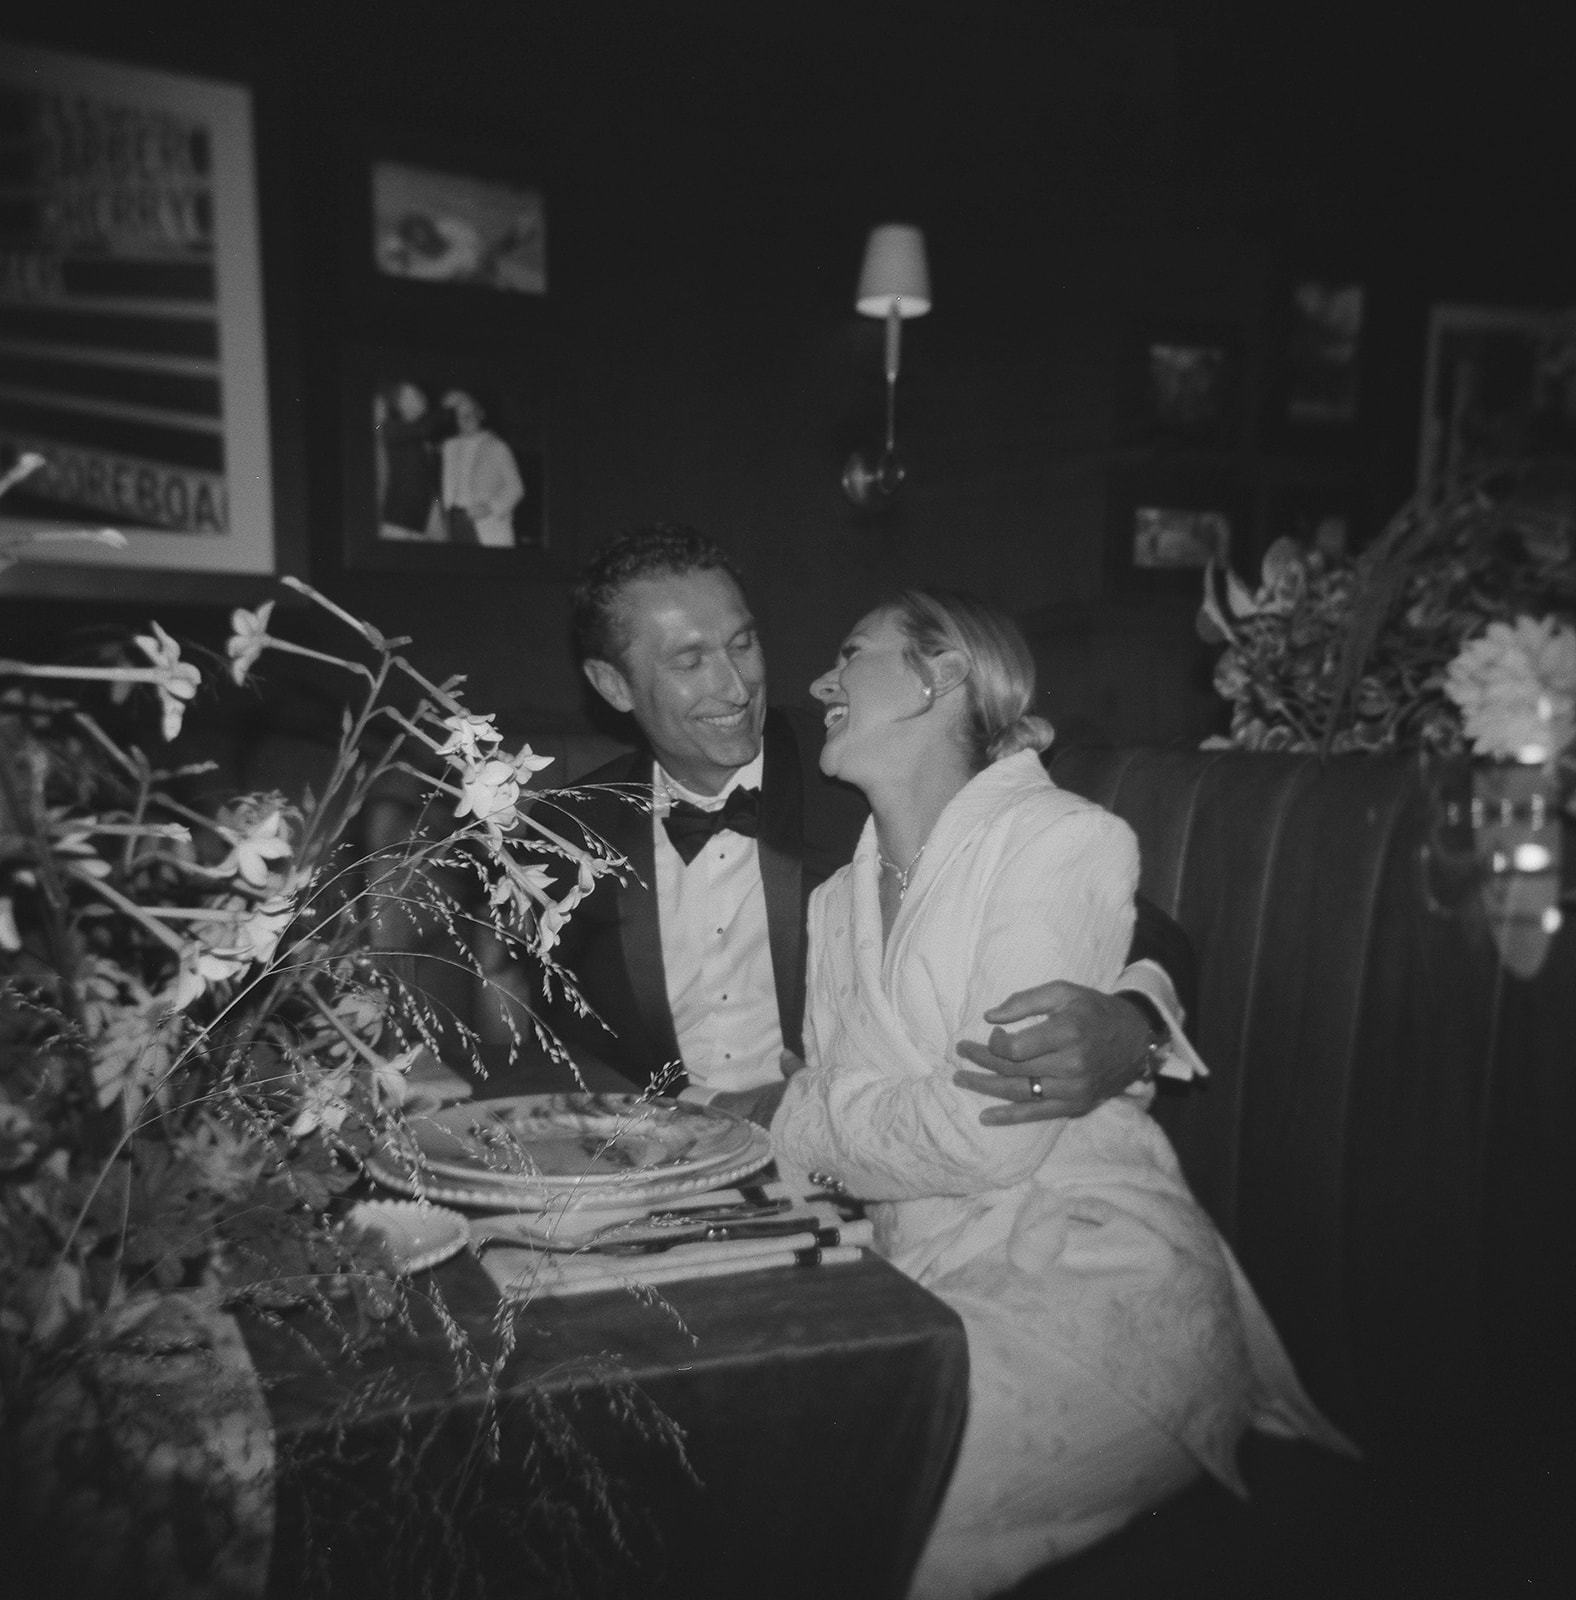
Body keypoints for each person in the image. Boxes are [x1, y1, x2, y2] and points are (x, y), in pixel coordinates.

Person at [770, 589, 1350, 1599]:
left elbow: (979, 1135)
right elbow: (848, 1135)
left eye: (850, 653)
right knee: (759, 1465)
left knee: (831, 1488)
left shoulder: (1059, 839)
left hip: (1089, 1276)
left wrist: (787, 1113)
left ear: (938, 674)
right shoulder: (830, 905)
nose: (821, 681)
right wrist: (803, 1125)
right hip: (917, 1282)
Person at [517, 525, 1202, 1120]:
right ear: (613, 685)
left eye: (743, 643)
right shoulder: (567, 837)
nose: (735, 686)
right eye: (690, 661)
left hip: (856, 1168)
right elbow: (530, 1029)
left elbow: (1128, 916)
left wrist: (1135, 1027)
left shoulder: (866, 766)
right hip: (665, 1167)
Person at [439, 390, 524, 547]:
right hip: (453, 522)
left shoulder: (497, 447)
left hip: (486, 524)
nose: (467, 417)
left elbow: (516, 488)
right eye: (461, 414)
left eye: (471, 412)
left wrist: (490, 507)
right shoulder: (449, 447)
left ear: (481, 414)